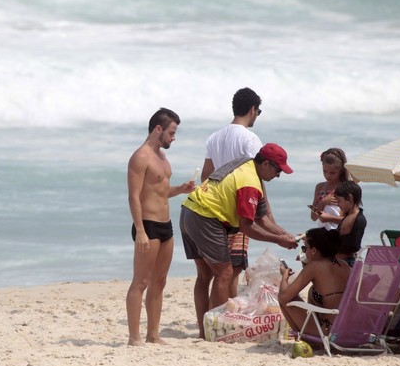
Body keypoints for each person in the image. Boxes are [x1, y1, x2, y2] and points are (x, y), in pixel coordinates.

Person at [179, 143, 298, 339]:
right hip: (206, 217)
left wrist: (284, 234)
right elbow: (247, 227)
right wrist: (278, 240)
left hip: (190, 210)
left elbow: (263, 218)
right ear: (266, 164)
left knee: (204, 275)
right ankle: (215, 332)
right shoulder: (249, 183)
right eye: (278, 170)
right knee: (224, 273)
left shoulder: (247, 166)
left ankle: (204, 332)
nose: (279, 175)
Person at [126, 107, 196, 346]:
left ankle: (153, 334)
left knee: (160, 281)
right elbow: (134, 197)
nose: (173, 138)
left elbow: (162, 191)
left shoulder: (163, 157)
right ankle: (134, 338)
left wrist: (182, 189)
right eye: (172, 133)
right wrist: (141, 232)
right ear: (158, 129)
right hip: (148, 225)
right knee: (141, 282)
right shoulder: (140, 157)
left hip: (166, 226)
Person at [200, 87, 275, 299]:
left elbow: (206, 176)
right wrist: (267, 215)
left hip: (214, 209)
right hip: (238, 209)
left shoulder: (214, 137)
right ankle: (226, 316)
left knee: (216, 273)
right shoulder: (250, 139)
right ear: (253, 109)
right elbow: (256, 179)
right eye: (258, 112)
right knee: (232, 270)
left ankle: (210, 320)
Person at [278, 227, 350, 336]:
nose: (304, 251)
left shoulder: (314, 267)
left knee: (285, 299)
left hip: (327, 331)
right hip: (346, 329)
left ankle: (302, 337)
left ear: (314, 250)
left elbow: (284, 297)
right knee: (312, 291)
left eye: (305, 248)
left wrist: (284, 277)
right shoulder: (344, 265)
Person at [309, 148, 351, 230]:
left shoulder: (346, 188)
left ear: (341, 170)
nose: (328, 176)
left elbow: (350, 220)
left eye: (332, 173)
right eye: (325, 171)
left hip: (338, 234)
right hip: (322, 234)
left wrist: (329, 218)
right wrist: (323, 202)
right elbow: (313, 217)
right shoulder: (320, 187)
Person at [334, 180, 366, 267]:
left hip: (343, 262)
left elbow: (336, 242)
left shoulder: (350, 218)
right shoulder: (358, 215)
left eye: (339, 201)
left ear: (350, 198)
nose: (337, 204)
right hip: (350, 260)